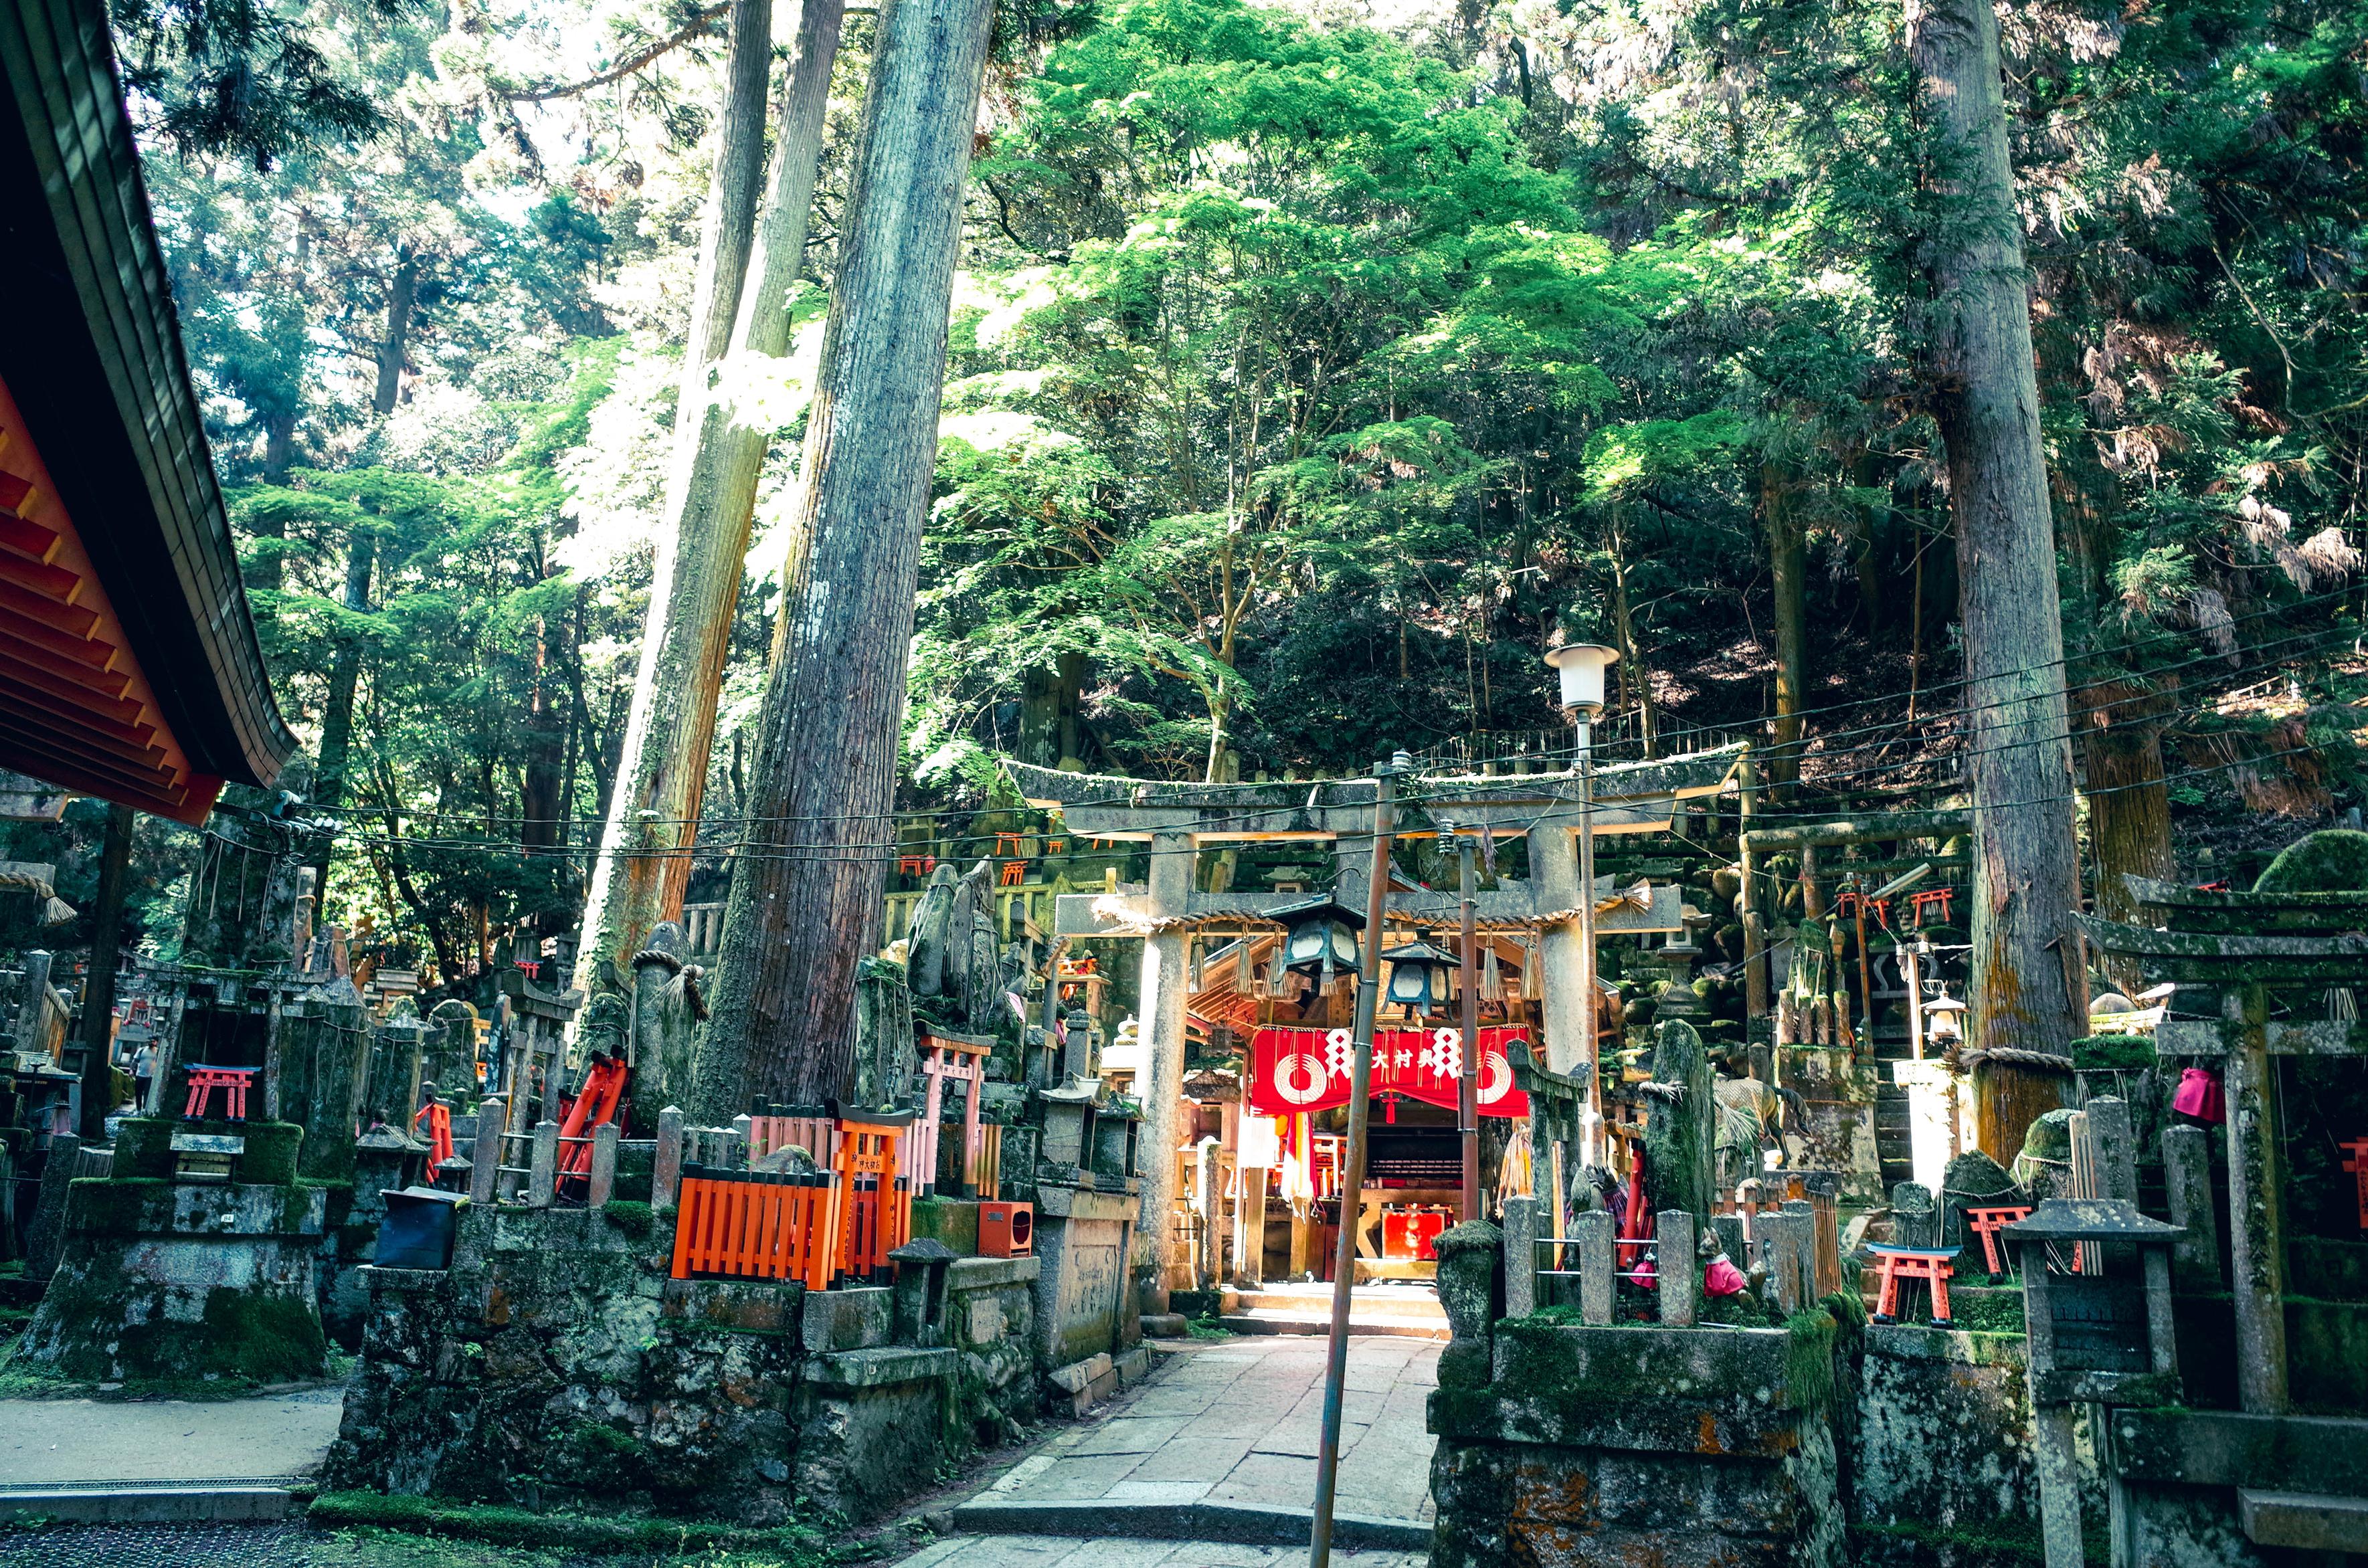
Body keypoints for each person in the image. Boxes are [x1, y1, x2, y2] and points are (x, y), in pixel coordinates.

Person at [130, 1038, 157, 1108]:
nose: (151, 1043)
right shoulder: (142, 1050)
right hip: (140, 1074)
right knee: (138, 1093)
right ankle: (138, 1109)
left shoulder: (158, 1052)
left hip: (150, 1076)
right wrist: (131, 1070)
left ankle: (145, 1109)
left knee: (147, 1093)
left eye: (153, 1041)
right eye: (150, 1041)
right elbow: (135, 1061)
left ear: (156, 1042)